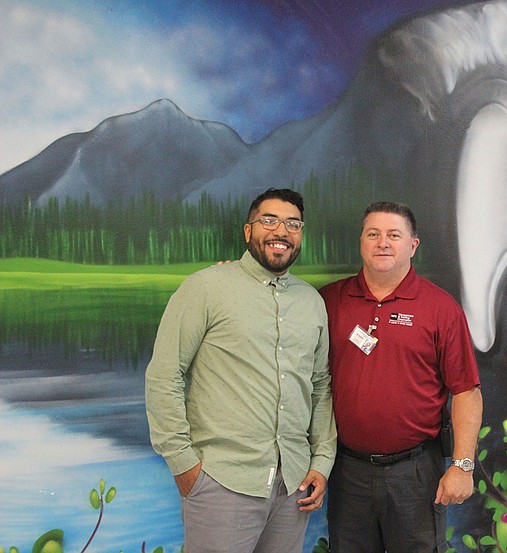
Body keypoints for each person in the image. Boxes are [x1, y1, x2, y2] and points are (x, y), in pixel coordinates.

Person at [145, 188, 336, 553]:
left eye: (292, 224)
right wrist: (185, 466)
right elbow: (164, 375)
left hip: (292, 486)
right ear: (248, 231)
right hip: (222, 481)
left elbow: (320, 386)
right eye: (269, 220)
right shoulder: (206, 288)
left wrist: (322, 461)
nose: (281, 231)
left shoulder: (311, 302)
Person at [319, 201, 483, 552]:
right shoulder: (329, 301)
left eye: (394, 235)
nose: (383, 242)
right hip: (348, 471)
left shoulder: (440, 308)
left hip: (415, 473)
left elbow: (467, 392)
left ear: (413, 245)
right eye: (373, 234)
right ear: (361, 242)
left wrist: (463, 465)